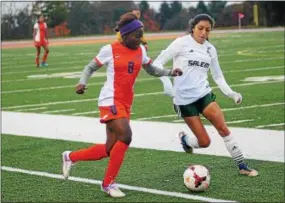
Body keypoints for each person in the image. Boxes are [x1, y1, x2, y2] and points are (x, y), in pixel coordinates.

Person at [61, 13, 182, 198]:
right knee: (126, 135)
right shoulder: (109, 49)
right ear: (124, 35)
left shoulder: (141, 50)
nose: (140, 39)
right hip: (109, 100)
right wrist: (82, 82)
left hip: (125, 102)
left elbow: (151, 69)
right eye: (136, 35)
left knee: (109, 149)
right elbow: (90, 67)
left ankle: (70, 157)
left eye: (142, 35)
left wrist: (170, 72)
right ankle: (108, 183)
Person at [153, 14, 258, 177]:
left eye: (207, 30)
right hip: (184, 101)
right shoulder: (180, 43)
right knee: (204, 142)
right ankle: (186, 141)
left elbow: (217, 76)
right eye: (200, 28)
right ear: (193, 27)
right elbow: (157, 63)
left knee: (224, 129)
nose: (203, 33)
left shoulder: (210, 49)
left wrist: (231, 93)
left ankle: (242, 165)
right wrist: (167, 82)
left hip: (204, 95)